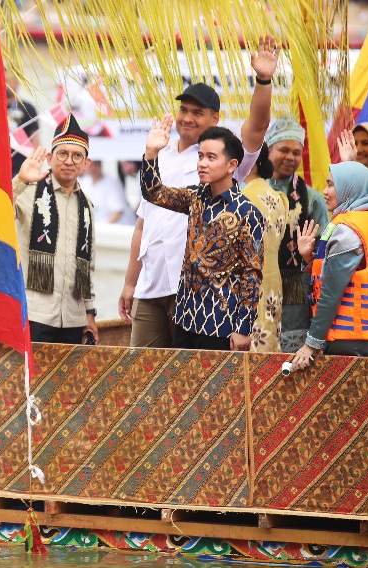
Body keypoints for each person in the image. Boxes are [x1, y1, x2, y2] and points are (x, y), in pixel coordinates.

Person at [119, 35, 279, 348]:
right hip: (159, 291)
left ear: (232, 164)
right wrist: (130, 282)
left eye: (198, 112)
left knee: (202, 376)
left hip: (212, 311)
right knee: (145, 371)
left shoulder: (235, 177)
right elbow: (149, 207)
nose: (188, 118)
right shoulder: (186, 185)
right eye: (184, 110)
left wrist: (263, 80)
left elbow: (251, 274)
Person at [140, 123, 263, 351]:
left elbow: (252, 274)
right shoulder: (195, 197)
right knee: (178, 376)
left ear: (232, 165)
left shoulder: (248, 213)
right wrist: (151, 152)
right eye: (200, 156)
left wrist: (243, 328)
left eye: (211, 157)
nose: (202, 163)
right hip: (184, 318)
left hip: (221, 325)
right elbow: (154, 193)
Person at [291, 162, 368, 371]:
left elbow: (331, 293)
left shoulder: (347, 231)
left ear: (349, 189)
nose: (325, 191)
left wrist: (311, 343)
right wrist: (308, 258)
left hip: (352, 338)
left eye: (331, 185)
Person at [13, 114, 99, 345]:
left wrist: (89, 314)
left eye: (77, 155)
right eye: (62, 154)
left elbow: (88, 264)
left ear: (86, 164)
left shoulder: (87, 206)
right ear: (50, 158)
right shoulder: (29, 191)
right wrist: (20, 181)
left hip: (73, 319)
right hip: (35, 315)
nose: (69, 161)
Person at [265, 114, 329, 352]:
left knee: (291, 359)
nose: (290, 157)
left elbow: (324, 251)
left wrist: (309, 256)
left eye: (296, 152)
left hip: (296, 292)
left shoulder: (312, 199)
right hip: (258, 286)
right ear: (269, 150)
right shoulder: (251, 192)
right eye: (284, 150)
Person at [241, 144, 289, 352]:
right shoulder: (278, 197)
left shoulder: (243, 198)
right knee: (266, 342)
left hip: (247, 281)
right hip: (271, 279)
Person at [79, 160, 136, 225]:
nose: (93, 168)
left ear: (100, 164)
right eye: (91, 165)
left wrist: (103, 228)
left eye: (96, 164)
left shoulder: (112, 183)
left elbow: (118, 211)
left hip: (117, 227)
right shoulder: (84, 182)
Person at [6, 71, 40, 178]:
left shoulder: (27, 108)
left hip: (22, 167)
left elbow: (35, 139)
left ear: (17, 83)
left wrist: (35, 167)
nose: (6, 84)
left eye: (9, 80)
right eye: (3, 80)